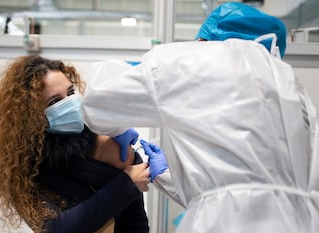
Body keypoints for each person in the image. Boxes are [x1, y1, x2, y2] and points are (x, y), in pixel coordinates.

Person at [81, 2, 319, 233]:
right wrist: (167, 174)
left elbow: (96, 99)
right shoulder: (292, 91)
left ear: (205, 41)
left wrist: (118, 127)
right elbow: (245, 183)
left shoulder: (198, 60)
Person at [0, 55, 150, 233]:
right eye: (55, 101)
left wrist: (134, 159)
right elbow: (56, 228)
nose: (70, 104)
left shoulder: (101, 137)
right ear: (31, 115)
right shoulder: (24, 166)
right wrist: (127, 183)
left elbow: (135, 221)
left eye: (70, 93)